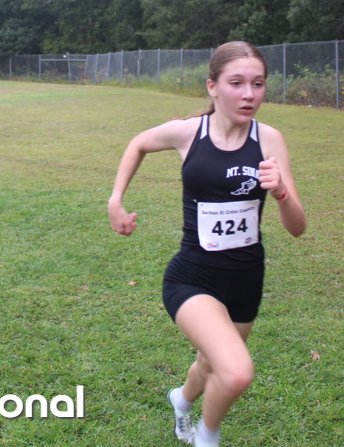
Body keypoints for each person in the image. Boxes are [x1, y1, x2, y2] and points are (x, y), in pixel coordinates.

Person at [108, 41, 307, 446]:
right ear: (212, 86)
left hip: (246, 280)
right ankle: (206, 436)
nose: (249, 94)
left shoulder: (269, 140)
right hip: (192, 278)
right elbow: (138, 143)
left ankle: (181, 401)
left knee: (209, 364)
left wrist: (282, 193)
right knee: (235, 372)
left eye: (258, 84)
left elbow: (298, 228)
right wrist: (116, 200)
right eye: (236, 83)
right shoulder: (189, 132)